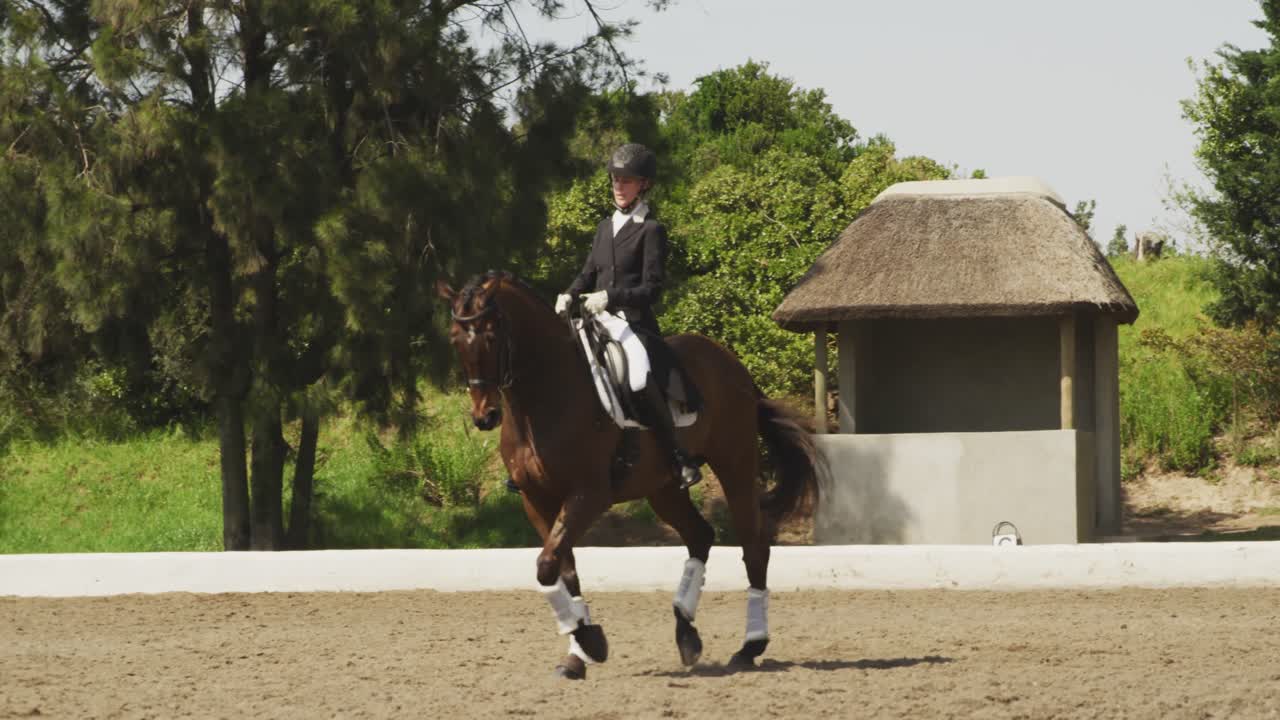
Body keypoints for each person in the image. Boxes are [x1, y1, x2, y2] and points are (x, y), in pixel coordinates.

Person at [554, 143, 702, 490]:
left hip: (632, 323)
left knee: (636, 378)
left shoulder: (651, 230)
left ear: (644, 185)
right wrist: (569, 293)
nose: (619, 186)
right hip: (596, 319)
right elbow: (588, 271)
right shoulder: (605, 227)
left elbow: (652, 288)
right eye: (615, 179)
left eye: (627, 180)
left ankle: (676, 456)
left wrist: (610, 296)